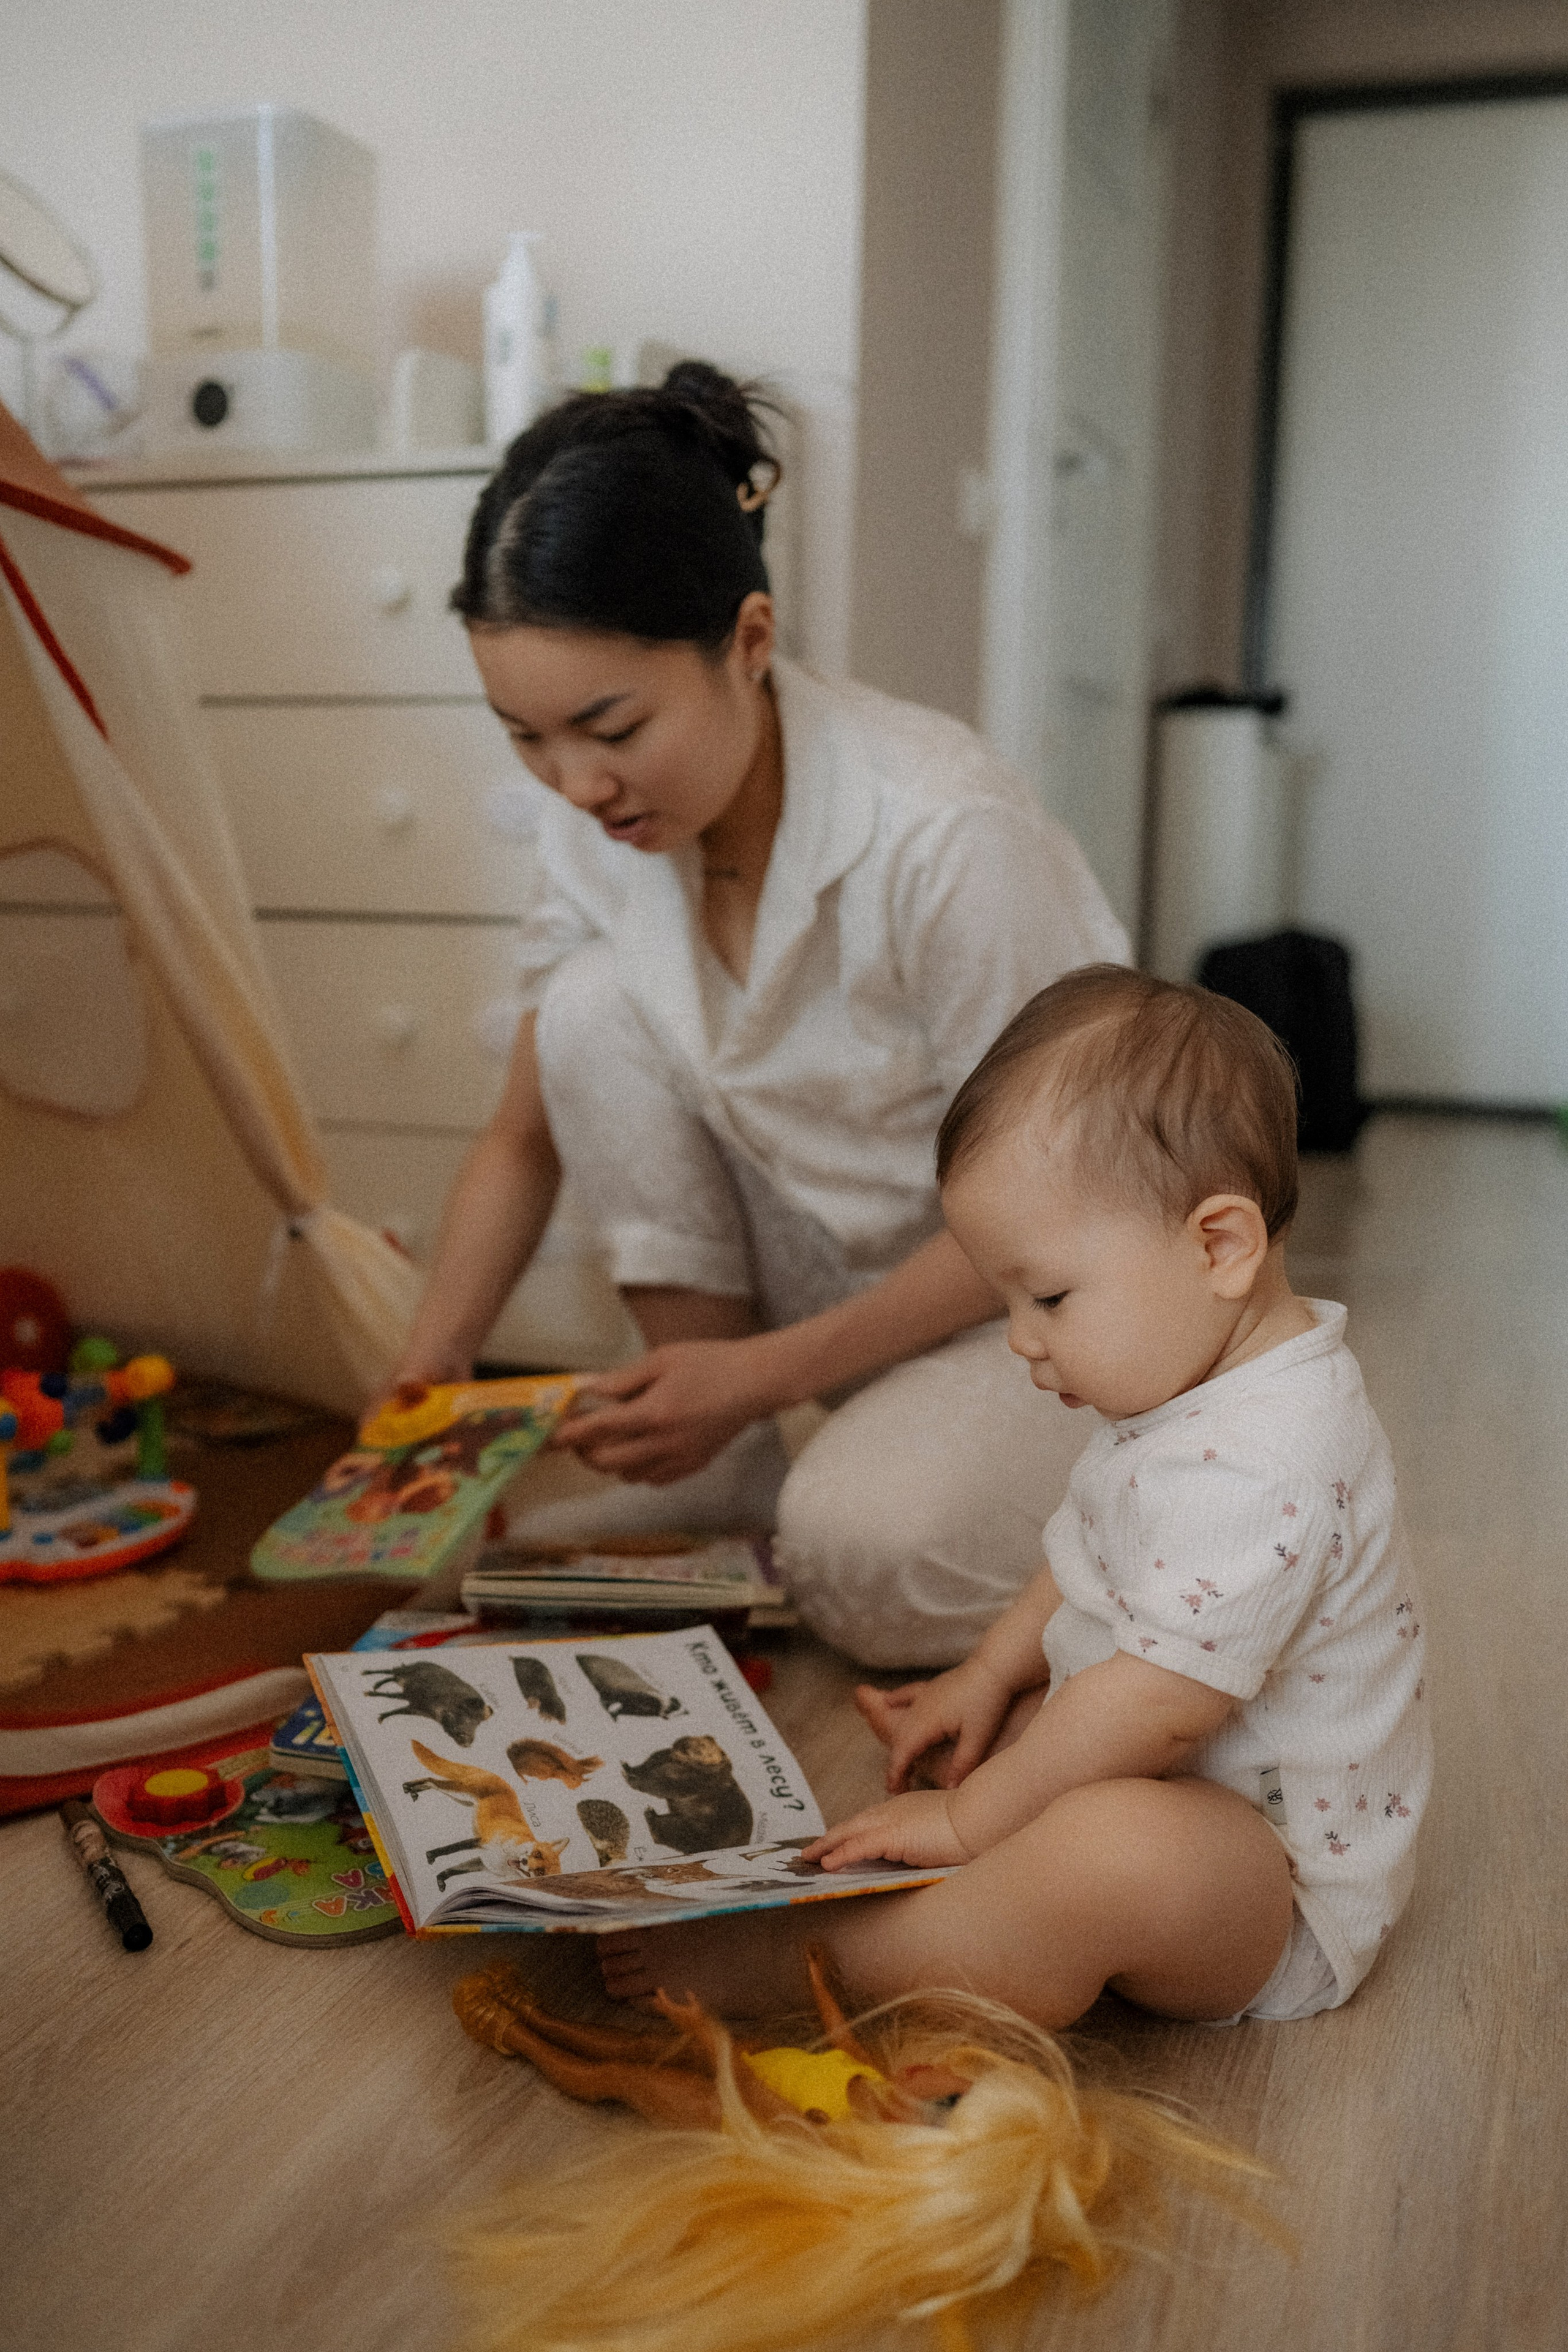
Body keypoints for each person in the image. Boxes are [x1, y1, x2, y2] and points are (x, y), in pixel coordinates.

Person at [393, 363, 1128, 1666]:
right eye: (525, 738)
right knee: (583, 1008)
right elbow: (521, 1135)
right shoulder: (602, 824)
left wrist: (767, 1375)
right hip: (836, 1292)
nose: (573, 783)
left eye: (608, 725)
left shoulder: (944, 832)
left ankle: (1147, 1516)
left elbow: (1058, 1210)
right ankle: (733, 1467)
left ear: (746, 639)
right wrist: (430, 1373)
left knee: (860, 1560)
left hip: (1032, 1311)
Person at [596, 967, 1432, 2029]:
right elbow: (1096, 1544)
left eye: (1048, 1296)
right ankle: (990, 1899)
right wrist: (991, 1669)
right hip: (1197, 1780)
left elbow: (1159, 1705)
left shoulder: (1271, 1458)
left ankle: (831, 1961)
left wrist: (973, 1822)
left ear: (1218, 1245)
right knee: (1031, 1741)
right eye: (1007, 1299)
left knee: (1107, 1849)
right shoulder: (1198, 1374)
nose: (1021, 1339)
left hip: (1274, 1892)